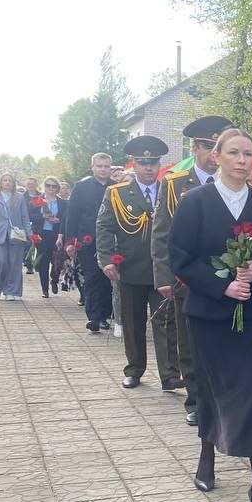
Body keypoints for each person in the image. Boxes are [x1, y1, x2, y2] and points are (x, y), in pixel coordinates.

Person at [169, 127, 252, 502]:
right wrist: (222, 288)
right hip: (209, 315)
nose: (242, 160)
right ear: (215, 156)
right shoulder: (194, 202)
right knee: (211, 388)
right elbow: (180, 258)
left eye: (248, 154)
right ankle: (207, 454)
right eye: (234, 153)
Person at [153, 115, 234, 426]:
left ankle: (222, 397)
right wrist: (163, 276)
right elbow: (161, 233)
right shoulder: (175, 183)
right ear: (195, 148)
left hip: (227, 277)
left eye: (218, 147)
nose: (214, 154)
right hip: (187, 276)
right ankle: (196, 400)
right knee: (189, 340)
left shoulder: (234, 182)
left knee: (224, 340)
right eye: (208, 147)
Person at [97, 137, 183, 392]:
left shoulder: (172, 192)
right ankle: (134, 369)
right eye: (143, 163)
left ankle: (169, 374)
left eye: (153, 163)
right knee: (133, 323)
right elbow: (103, 227)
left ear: (159, 165)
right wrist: (105, 259)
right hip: (131, 268)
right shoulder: (117, 193)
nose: (148, 168)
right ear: (135, 164)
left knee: (166, 324)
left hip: (163, 270)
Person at [64, 153, 115, 332]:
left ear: (110, 168)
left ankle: (105, 314)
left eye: (106, 166)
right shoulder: (81, 187)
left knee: (106, 279)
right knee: (92, 278)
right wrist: (70, 241)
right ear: (92, 167)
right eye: (99, 166)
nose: (103, 169)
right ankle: (94, 317)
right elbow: (72, 216)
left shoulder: (117, 187)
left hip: (110, 241)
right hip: (87, 241)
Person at [0, 172, 31, 301]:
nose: (7, 182)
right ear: (0, 182)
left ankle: (11, 291)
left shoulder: (19, 197)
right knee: (0, 261)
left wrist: (29, 233)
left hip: (16, 234)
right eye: (5, 180)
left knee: (14, 263)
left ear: (14, 183)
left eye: (10, 180)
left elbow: (25, 216)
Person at [31, 176, 67, 297]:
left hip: (57, 234)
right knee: (43, 261)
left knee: (57, 260)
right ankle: (45, 289)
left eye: (54, 186)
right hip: (41, 234)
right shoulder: (37, 200)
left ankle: (54, 280)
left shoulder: (62, 202)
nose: (51, 188)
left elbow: (66, 218)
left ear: (57, 188)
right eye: (48, 185)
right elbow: (30, 216)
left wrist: (59, 220)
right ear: (44, 187)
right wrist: (43, 216)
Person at [23, 178, 42, 276]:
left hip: (38, 224)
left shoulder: (41, 196)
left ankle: (38, 264)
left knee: (39, 245)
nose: (31, 185)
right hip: (25, 224)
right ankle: (29, 265)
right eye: (29, 183)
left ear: (36, 185)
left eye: (33, 183)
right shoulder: (22, 197)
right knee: (28, 245)